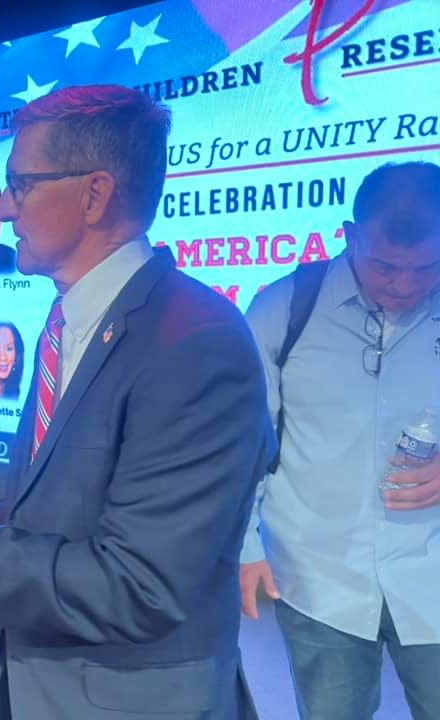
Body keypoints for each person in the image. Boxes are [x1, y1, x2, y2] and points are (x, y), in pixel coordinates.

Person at [0, 85, 275, 720]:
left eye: (19, 185)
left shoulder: (197, 343)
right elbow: (55, 506)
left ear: (95, 194)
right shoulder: (69, 318)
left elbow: (137, 586)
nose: (6, 211)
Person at [240, 161, 440, 720]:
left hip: (433, 573)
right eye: (384, 266)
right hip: (318, 576)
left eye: (427, 268)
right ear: (349, 236)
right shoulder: (284, 307)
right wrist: (246, 546)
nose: (404, 285)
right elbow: (242, 441)